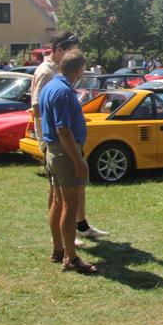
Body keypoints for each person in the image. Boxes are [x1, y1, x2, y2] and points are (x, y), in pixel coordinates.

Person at [31, 32, 108, 245]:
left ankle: (79, 226)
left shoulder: (57, 76)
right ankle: (65, 239)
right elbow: (38, 108)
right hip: (56, 143)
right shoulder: (48, 73)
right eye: (71, 51)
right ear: (58, 50)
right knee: (60, 196)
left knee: (73, 189)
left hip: (63, 141)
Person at [40, 50, 97, 274]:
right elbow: (63, 129)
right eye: (83, 69)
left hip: (53, 152)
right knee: (69, 205)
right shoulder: (63, 91)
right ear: (78, 69)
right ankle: (71, 257)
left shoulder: (50, 87)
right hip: (64, 153)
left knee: (57, 200)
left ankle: (58, 249)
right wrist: (78, 161)